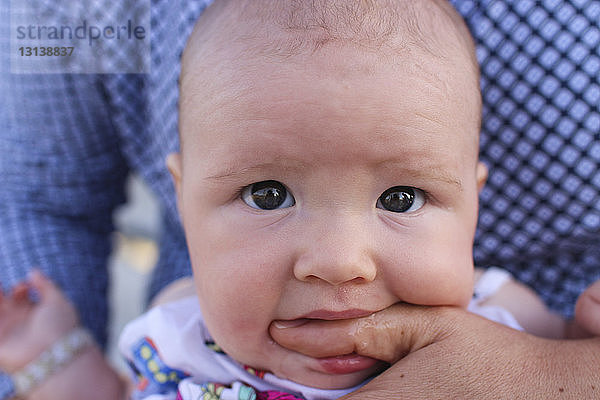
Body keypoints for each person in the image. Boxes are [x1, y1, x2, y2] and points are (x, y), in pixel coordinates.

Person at [1, 0, 599, 398]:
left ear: (473, 205)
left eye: (401, 198)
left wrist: (579, 346)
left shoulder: (506, 319)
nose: (340, 261)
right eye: (267, 195)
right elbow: (43, 197)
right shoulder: (180, 334)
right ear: (183, 202)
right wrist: (53, 358)